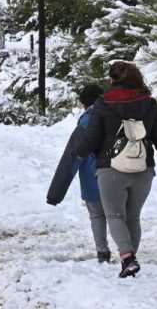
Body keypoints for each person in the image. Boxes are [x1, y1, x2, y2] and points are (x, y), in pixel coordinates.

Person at [77, 61, 157, 279]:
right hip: (143, 169)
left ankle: (127, 258)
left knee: (115, 216)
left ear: (111, 80)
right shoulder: (149, 103)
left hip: (111, 169)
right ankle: (130, 258)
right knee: (132, 217)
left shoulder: (103, 103)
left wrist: (80, 152)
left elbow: (92, 138)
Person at [46, 83, 110, 264]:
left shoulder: (86, 122)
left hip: (93, 176)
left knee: (97, 215)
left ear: (84, 104)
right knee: (117, 215)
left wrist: (55, 194)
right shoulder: (116, 114)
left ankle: (102, 252)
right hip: (118, 173)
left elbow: (71, 157)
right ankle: (127, 252)